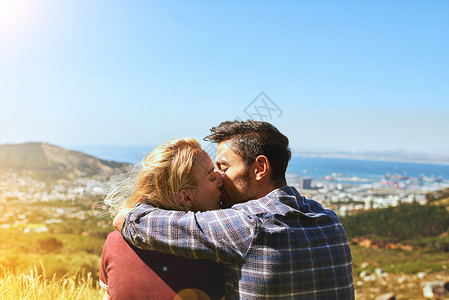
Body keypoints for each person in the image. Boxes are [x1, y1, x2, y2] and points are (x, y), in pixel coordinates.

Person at [115, 120, 355, 299]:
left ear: (260, 167)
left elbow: (133, 222)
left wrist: (125, 213)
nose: (218, 177)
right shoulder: (330, 221)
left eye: (223, 166)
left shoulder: (248, 225)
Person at [100, 138, 225, 300]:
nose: (221, 179)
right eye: (211, 177)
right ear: (186, 197)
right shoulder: (213, 248)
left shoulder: (115, 241)